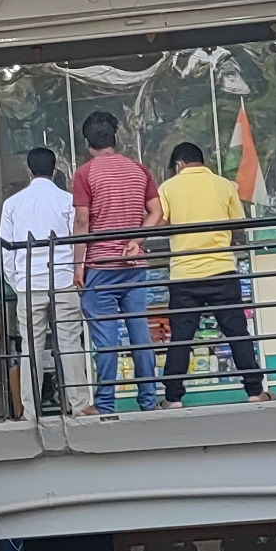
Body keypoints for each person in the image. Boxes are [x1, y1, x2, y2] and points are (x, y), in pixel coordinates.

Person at [158, 142, 272, 408]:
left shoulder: (168, 188)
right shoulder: (224, 185)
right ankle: (255, 392)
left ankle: (173, 398)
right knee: (237, 333)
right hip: (222, 271)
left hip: (184, 275)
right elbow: (238, 225)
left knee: (181, 339)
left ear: (179, 165)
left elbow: (161, 222)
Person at [73, 112, 164, 415]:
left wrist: (78, 265)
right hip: (134, 266)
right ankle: (148, 401)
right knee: (140, 334)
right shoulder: (138, 169)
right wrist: (137, 240)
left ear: (88, 144)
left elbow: (82, 221)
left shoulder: (85, 174)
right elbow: (157, 212)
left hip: (101, 267)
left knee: (106, 339)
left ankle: (105, 404)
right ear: (115, 139)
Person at [0, 147, 90, 420]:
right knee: (70, 342)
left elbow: (6, 252)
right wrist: (76, 271)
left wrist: (17, 282)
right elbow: (78, 242)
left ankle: (31, 412)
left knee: (30, 347)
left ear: (29, 171)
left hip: (29, 283)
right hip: (63, 280)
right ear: (54, 170)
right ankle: (79, 405)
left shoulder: (12, 204)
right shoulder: (67, 201)